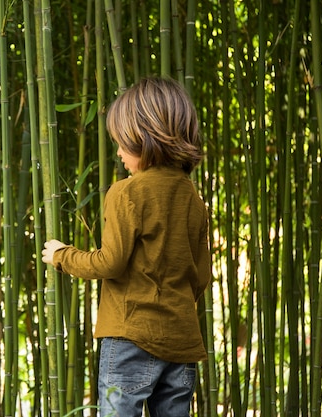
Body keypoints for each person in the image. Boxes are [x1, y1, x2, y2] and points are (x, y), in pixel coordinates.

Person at [41, 76, 211, 417]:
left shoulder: (126, 192)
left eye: (123, 143)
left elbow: (109, 264)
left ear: (145, 137)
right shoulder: (194, 200)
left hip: (129, 337)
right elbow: (201, 277)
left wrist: (62, 255)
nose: (118, 152)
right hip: (182, 343)